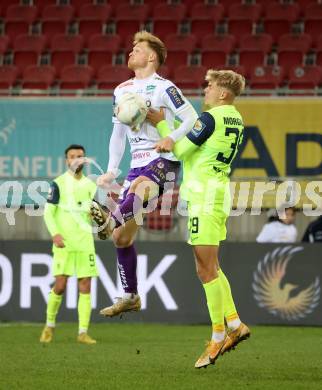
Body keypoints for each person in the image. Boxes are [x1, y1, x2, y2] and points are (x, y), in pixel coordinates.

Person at [146, 69, 250, 368]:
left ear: (222, 93)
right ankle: (234, 323)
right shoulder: (236, 118)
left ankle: (218, 335)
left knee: (205, 269)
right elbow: (199, 144)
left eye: (210, 85)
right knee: (212, 266)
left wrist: (163, 124)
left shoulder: (211, 117)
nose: (205, 89)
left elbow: (179, 150)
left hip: (204, 195)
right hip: (217, 192)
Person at [92, 31, 198, 317]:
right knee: (121, 239)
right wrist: (112, 169)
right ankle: (130, 296)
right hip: (138, 164)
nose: (131, 52)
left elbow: (191, 118)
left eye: (137, 49)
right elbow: (117, 134)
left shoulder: (165, 87)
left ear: (151, 56)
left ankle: (108, 219)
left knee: (140, 187)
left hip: (165, 161)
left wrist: (172, 137)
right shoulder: (121, 90)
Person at [40, 144, 98, 345]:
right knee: (60, 285)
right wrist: (55, 233)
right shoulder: (57, 183)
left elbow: (96, 213)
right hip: (64, 242)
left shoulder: (91, 186)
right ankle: (49, 325)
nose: (76, 159)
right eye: (72, 156)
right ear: (67, 160)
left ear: (84, 159)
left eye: (79, 156)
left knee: (85, 285)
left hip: (85, 243)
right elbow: (48, 212)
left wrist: (99, 218)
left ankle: (83, 332)